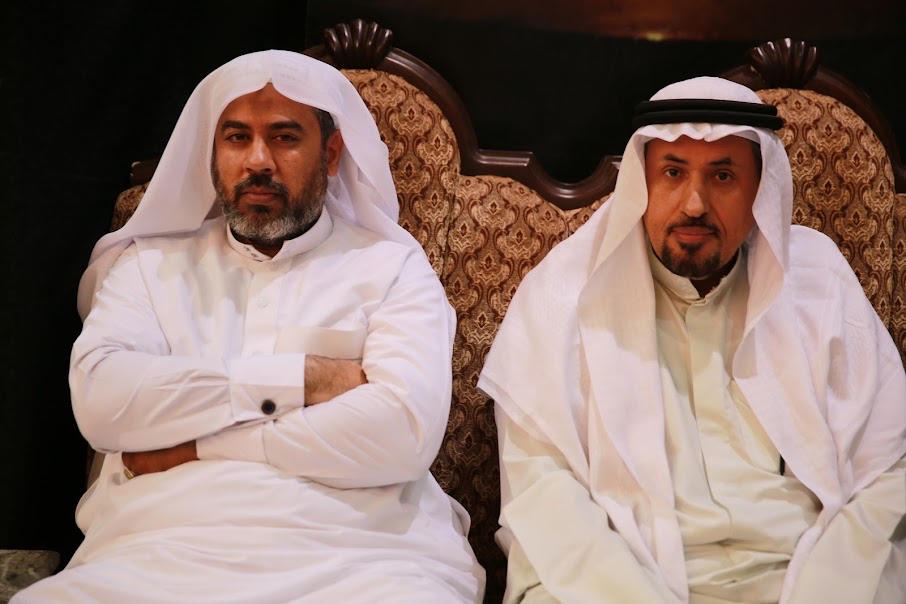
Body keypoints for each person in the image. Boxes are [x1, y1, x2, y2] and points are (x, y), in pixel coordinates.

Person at [13, 50, 484, 603]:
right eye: (237, 137)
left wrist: (192, 446)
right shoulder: (147, 266)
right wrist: (303, 379)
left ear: (331, 154)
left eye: (284, 137)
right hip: (157, 550)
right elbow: (103, 404)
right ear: (213, 152)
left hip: (363, 555)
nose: (258, 160)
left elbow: (402, 436)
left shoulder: (391, 269)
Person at [478, 76, 906, 603]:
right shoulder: (564, 294)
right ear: (642, 183)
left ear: (759, 190)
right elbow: (541, 490)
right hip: (622, 575)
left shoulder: (816, 280)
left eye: (723, 176)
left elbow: (887, 467)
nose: (695, 203)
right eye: (673, 173)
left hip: (797, 576)